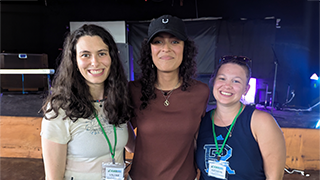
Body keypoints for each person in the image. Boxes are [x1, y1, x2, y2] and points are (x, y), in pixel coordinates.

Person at [40, 24, 135, 180]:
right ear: (74, 61)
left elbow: (133, 146)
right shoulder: (60, 109)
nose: (95, 62)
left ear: (111, 57)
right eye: (85, 55)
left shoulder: (117, 99)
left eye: (102, 53)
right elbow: (53, 178)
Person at [128, 15, 210, 180]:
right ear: (149, 49)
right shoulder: (134, 90)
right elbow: (124, 133)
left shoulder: (200, 92)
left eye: (175, 42)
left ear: (185, 48)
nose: (166, 48)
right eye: (158, 42)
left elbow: (195, 139)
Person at [196, 55, 286, 180]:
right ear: (214, 82)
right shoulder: (202, 121)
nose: (227, 86)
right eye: (222, 78)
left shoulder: (261, 122)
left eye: (236, 81)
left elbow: (274, 177)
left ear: (246, 89)